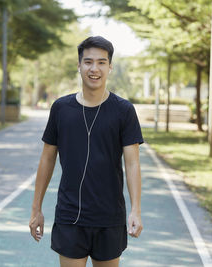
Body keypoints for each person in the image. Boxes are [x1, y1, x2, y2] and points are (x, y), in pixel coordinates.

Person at [29, 36, 144, 267]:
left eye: (101, 62)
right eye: (88, 62)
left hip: (109, 217)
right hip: (70, 216)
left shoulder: (124, 110)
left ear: (110, 67)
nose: (94, 68)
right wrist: (36, 209)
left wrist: (136, 210)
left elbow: (132, 163)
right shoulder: (61, 108)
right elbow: (47, 158)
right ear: (79, 66)